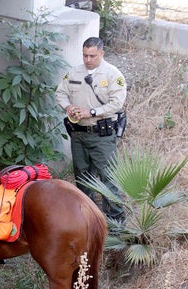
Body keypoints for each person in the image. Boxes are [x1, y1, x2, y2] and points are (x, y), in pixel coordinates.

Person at [56, 36, 126, 222]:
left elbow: (117, 103)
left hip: (102, 136)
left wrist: (93, 112)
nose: (88, 60)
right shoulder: (74, 72)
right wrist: (68, 107)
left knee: (108, 178)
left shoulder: (113, 75)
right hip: (78, 133)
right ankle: (86, 218)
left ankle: (116, 222)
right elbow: (60, 93)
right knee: (82, 177)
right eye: (85, 55)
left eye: (92, 56)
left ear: (101, 53)